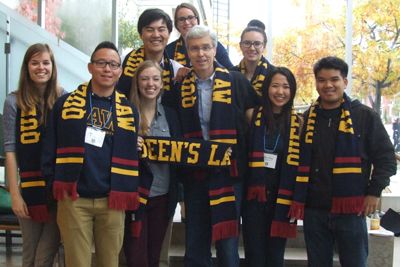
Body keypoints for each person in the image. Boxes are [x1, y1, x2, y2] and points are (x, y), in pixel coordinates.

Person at [290, 56, 397, 267]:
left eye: (334, 79)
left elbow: (386, 158)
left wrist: (374, 191)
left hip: (352, 210)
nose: (328, 85)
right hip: (314, 209)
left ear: (345, 82)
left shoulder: (364, 116)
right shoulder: (306, 118)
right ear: (316, 83)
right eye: (321, 80)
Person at [41, 41, 140, 267]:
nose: (107, 69)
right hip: (74, 199)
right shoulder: (65, 104)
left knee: (110, 262)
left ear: (120, 71)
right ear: (90, 67)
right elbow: (50, 146)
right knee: (77, 263)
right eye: (101, 63)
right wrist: (52, 182)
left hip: (113, 200)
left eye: (113, 64)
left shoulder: (129, 109)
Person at [178, 25, 257, 267]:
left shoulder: (235, 81)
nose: (200, 54)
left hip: (229, 173)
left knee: (227, 239)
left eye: (205, 47)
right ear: (187, 53)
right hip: (196, 172)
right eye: (194, 49)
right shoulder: (180, 86)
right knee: (196, 237)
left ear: (215, 50)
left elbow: (253, 122)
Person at [3, 43, 63, 267]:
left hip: (56, 191)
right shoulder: (13, 102)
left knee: (44, 255)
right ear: (26, 67)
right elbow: (10, 151)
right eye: (35, 63)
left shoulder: (63, 98)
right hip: (28, 191)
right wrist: (15, 194)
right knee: (29, 254)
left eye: (45, 62)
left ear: (52, 66)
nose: (41, 68)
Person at [123, 60, 181, 267]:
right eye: (145, 78)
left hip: (163, 197)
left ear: (162, 83)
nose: (150, 84)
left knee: (154, 255)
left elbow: (180, 156)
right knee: (136, 256)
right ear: (137, 82)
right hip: (133, 196)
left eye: (155, 79)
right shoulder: (125, 113)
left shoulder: (172, 116)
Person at [243, 67, 301, 267]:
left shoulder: (298, 123)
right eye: (275, 85)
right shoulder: (251, 116)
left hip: (281, 197)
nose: (280, 91)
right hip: (254, 196)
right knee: (254, 253)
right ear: (267, 88)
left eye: (286, 87)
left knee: (276, 255)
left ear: (292, 91)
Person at [118, 8, 187, 104]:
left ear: (169, 34)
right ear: (140, 34)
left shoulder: (175, 71)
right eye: (150, 30)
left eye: (161, 29)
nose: (156, 35)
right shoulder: (122, 63)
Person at [166, 2, 233, 69]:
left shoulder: (212, 45)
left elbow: (230, 71)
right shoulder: (169, 50)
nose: (186, 22)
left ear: (197, 20)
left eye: (190, 17)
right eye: (181, 19)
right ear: (176, 24)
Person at [231, 20, 274, 96]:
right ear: (240, 45)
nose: (252, 48)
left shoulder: (274, 74)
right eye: (247, 43)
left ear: (264, 47)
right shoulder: (230, 75)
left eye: (257, 44)